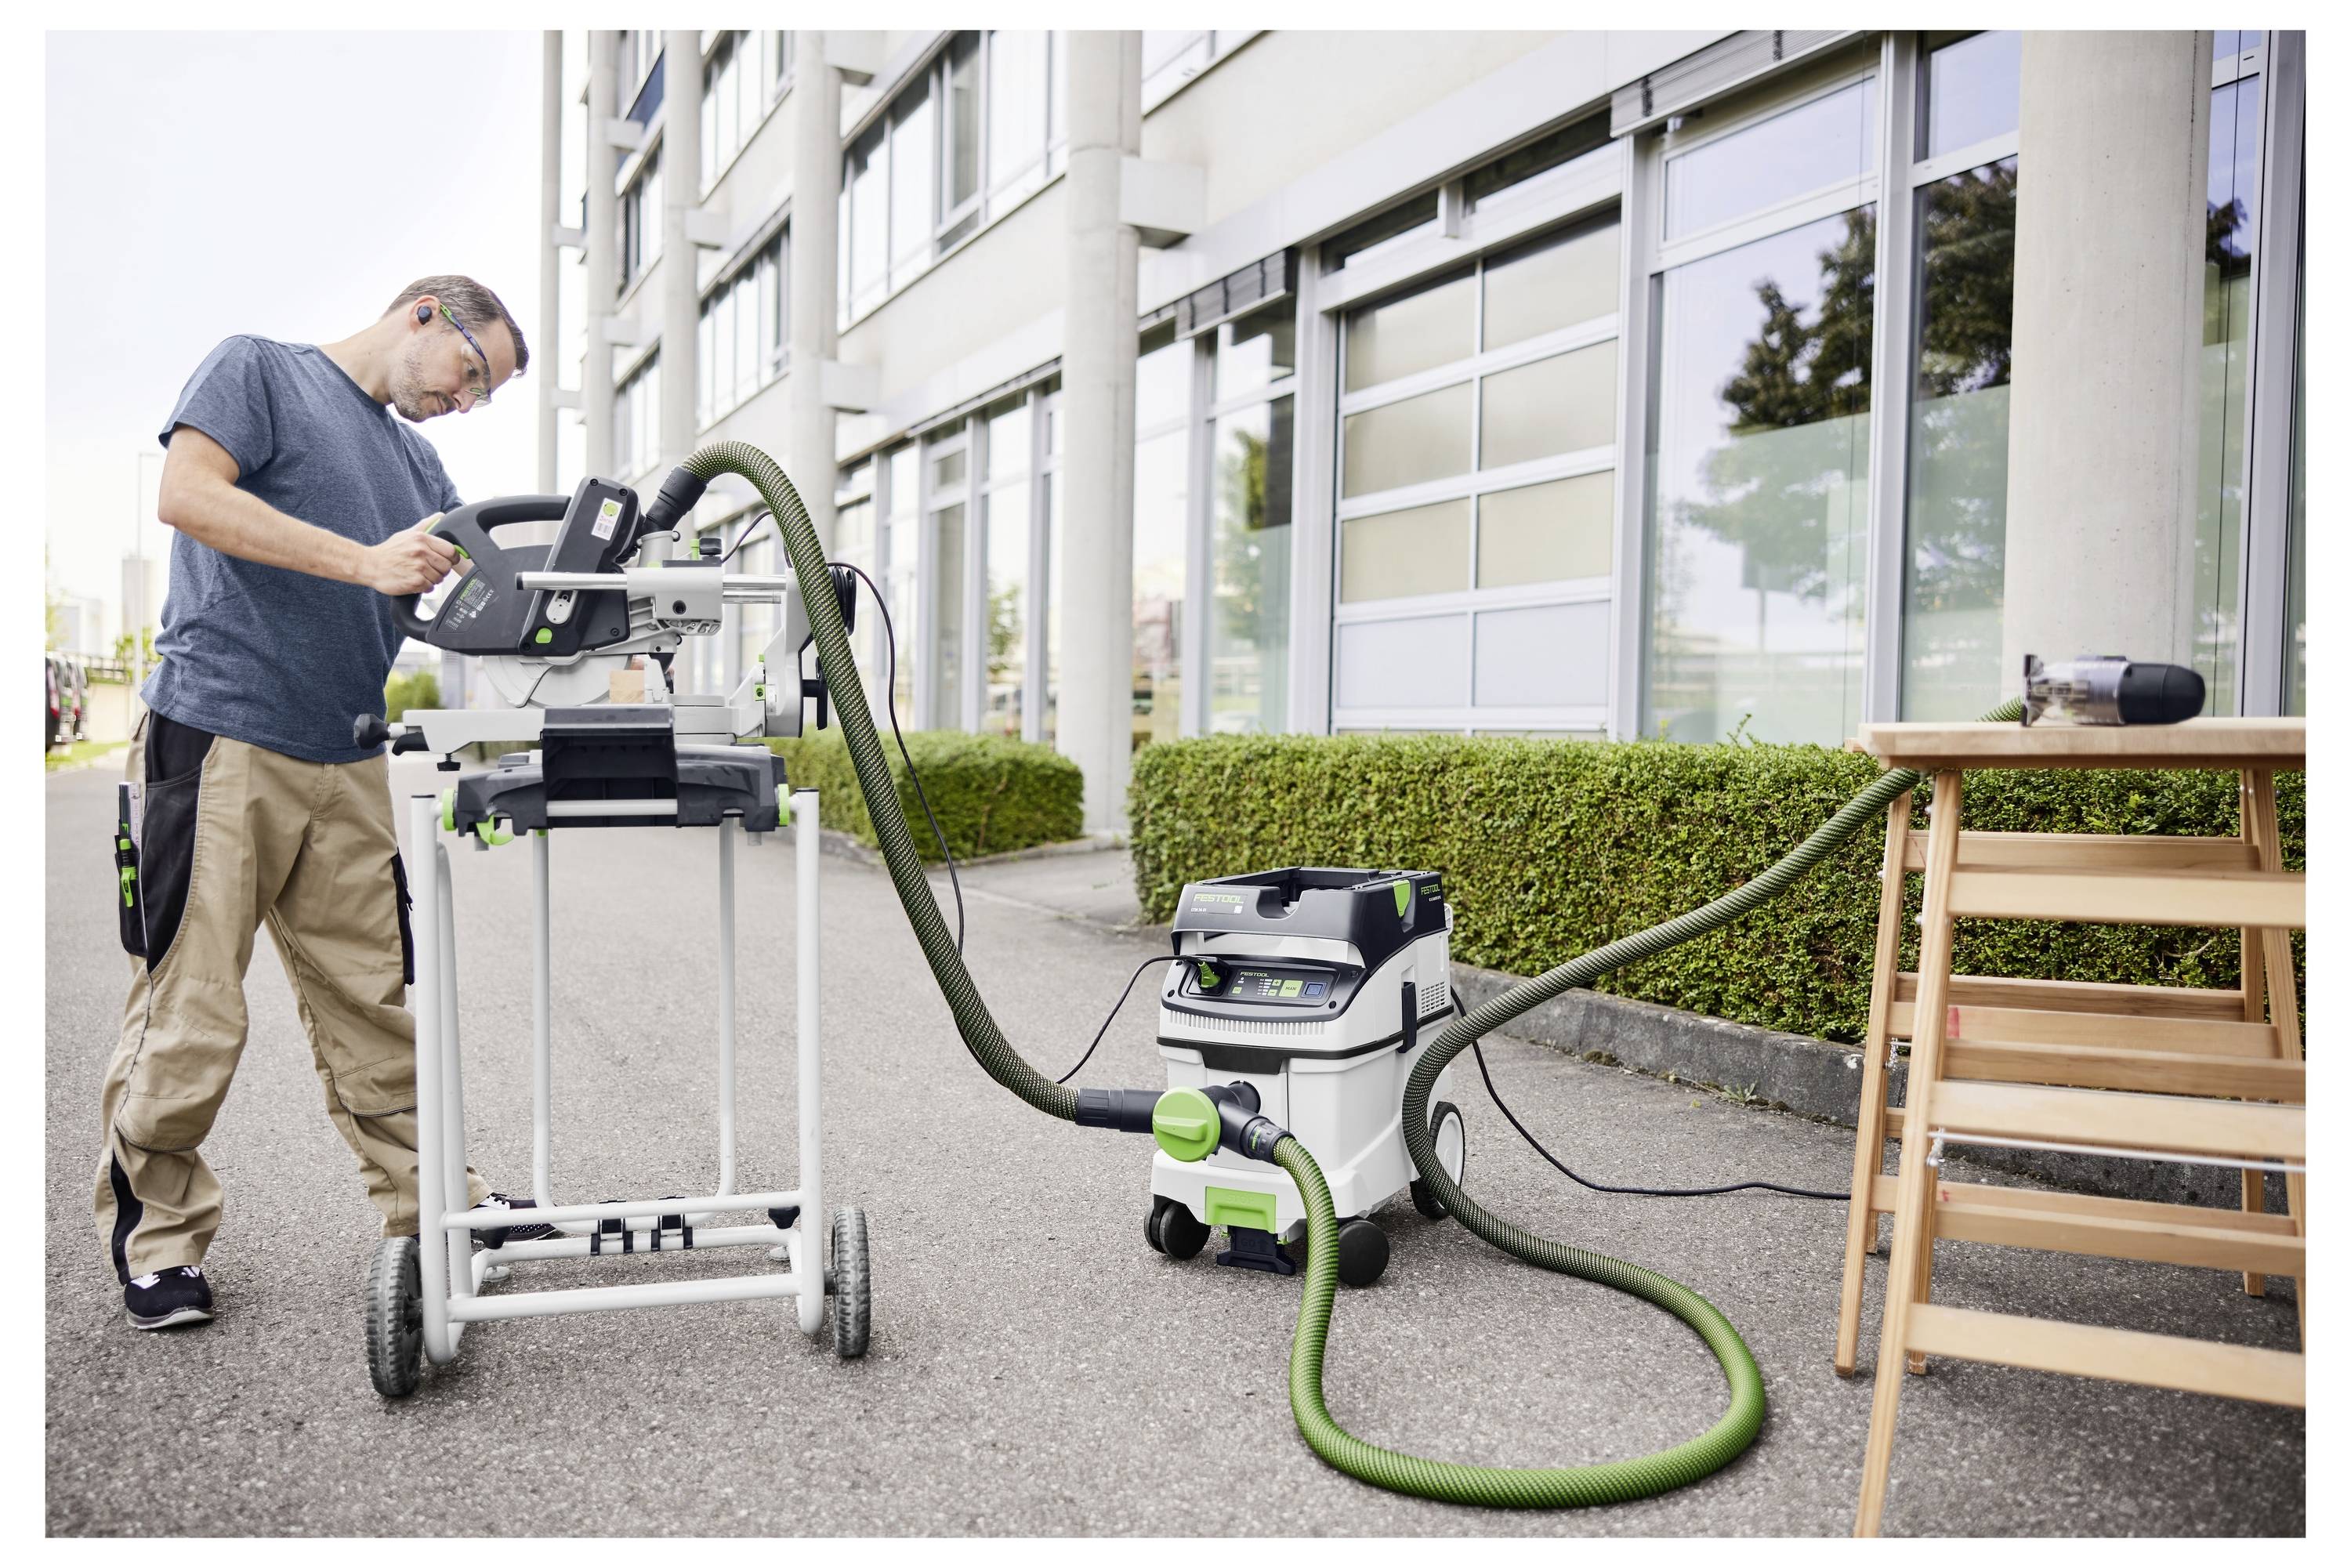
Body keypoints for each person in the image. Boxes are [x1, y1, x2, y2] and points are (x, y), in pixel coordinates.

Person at [99, 276, 550, 1330]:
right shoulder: (260, 371)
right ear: (425, 312)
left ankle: (436, 1206)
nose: (464, 403)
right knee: (189, 1007)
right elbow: (188, 495)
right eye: (470, 373)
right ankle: (160, 1243)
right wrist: (366, 562)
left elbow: (462, 596)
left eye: (482, 397)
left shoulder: (417, 466)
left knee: (374, 1006)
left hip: (346, 758)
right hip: (218, 736)